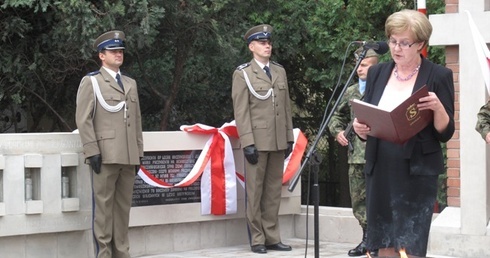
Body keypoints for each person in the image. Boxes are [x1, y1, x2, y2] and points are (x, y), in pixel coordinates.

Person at [352, 9, 454, 257]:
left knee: (408, 244)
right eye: (393, 41)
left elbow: (446, 132)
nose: (397, 48)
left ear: (420, 44)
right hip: (381, 168)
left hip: (415, 172)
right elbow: (368, 116)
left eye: (404, 43)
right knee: (383, 240)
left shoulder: (439, 75)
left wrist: (438, 108)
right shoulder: (378, 73)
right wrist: (360, 129)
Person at [76, 30, 144, 258]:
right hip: (105, 155)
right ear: (101, 55)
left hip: (128, 155)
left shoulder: (130, 83)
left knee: (123, 210)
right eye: (113, 51)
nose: (118, 54)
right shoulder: (92, 82)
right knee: (103, 210)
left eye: (120, 51)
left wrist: (138, 152)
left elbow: (136, 121)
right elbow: (83, 119)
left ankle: (122, 253)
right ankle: (103, 254)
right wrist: (92, 150)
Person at [231, 24, 294, 254]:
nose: (267, 46)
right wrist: (247, 142)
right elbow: (241, 111)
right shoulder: (243, 74)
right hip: (257, 140)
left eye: (269, 42)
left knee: (273, 191)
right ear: (251, 47)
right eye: (262, 43)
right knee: (255, 192)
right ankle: (257, 238)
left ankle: (272, 236)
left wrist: (288, 137)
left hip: (277, 139)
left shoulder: (279, 71)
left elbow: (285, 107)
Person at [328, 47, 379, 257]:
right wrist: (338, 132)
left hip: (379, 155)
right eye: (358, 64)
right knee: (358, 201)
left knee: (378, 200)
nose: (360, 69)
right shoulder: (351, 91)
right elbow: (335, 117)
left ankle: (379, 242)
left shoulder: (384, 90)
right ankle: (367, 240)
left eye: (365, 65)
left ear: (376, 66)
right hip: (356, 155)